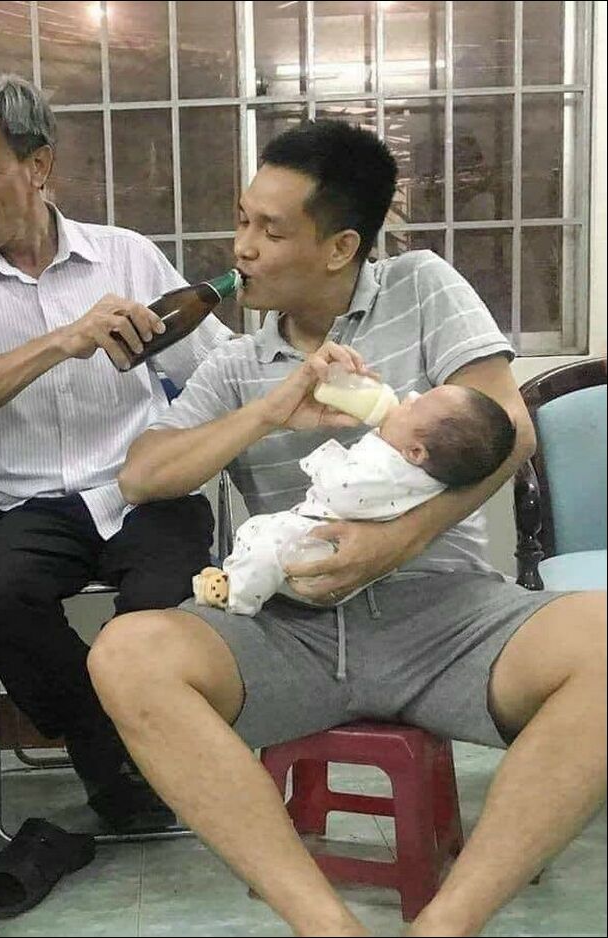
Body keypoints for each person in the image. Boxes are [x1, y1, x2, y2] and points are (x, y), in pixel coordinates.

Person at [87, 120, 606, 936]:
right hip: (289, 628)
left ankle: (447, 924)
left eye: (270, 229)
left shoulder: (421, 285)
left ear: (340, 248)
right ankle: (327, 927)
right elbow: (141, 476)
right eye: (242, 221)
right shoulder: (235, 362)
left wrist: (398, 542)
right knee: (125, 655)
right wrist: (268, 411)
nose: (242, 247)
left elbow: (512, 428)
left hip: (445, 612)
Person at [0, 73, 231, 829]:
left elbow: (216, 367)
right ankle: (105, 748)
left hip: (144, 489)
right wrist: (62, 341)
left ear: (38, 166)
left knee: (162, 606)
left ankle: (154, 760)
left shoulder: (127, 257)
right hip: (31, 509)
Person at [196, 384, 516, 617]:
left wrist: (323, 462)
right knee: (262, 537)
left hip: (326, 544)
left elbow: (339, 490)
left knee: (264, 538)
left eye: (416, 405)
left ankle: (236, 596)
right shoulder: (420, 471)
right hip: (327, 539)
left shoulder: (391, 471)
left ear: (416, 452)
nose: (410, 396)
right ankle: (235, 579)